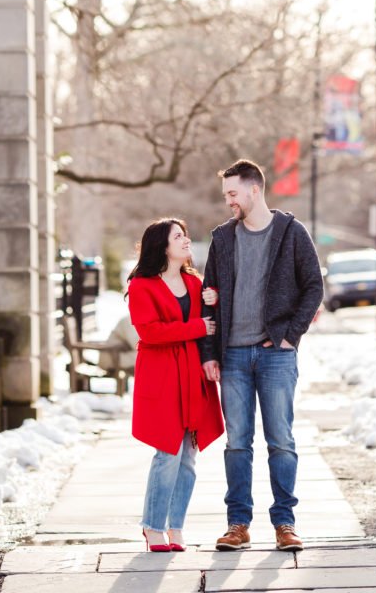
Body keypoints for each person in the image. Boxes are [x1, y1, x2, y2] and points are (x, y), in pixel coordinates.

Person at [199, 159, 323, 552]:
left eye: (233, 193)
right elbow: (208, 299)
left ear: (255, 189)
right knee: (237, 442)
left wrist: (290, 336)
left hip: (276, 356)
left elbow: (314, 286)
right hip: (232, 357)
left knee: (281, 440)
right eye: (226, 195)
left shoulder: (291, 232)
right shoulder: (223, 238)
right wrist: (209, 353)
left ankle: (285, 523)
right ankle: (238, 524)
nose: (229, 201)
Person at [128, 218, 224, 552]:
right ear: (162, 246)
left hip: (192, 375)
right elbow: (149, 332)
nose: (186, 241)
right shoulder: (142, 286)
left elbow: (213, 322)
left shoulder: (194, 283)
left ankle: (176, 526)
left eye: (185, 235)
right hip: (162, 376)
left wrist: (214, 299)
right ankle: (153, 526)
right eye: (178, 236)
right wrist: (197, 326)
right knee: (167, 452)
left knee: (188, 457)